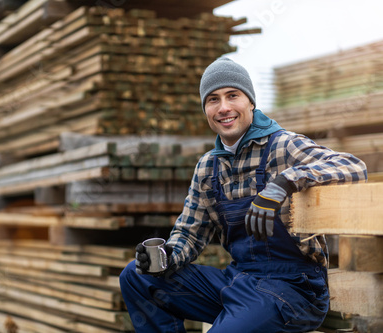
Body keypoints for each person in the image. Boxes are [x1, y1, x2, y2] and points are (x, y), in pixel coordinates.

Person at [119, 57, 367, 333]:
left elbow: (353, 166)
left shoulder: (283, 147)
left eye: (232, 96)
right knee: (136, 276)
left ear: (250, 102)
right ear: (205, 109)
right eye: (213, 99)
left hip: (294, 291)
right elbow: (189, 234)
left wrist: (283, 183)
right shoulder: (208, 166)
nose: (224, 107)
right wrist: (166, 255)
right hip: (240, 281)